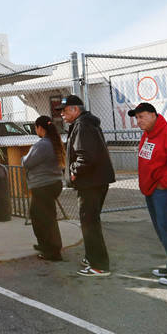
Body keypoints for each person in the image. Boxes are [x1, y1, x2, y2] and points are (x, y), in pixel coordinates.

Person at [129, 103, 167, 286]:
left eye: (142, 116)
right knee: (162, 230)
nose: (139, 121)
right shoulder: (147, 136)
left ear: (154, 115)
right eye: (137, 118)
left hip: (165, 191)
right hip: (153, 190)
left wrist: (164, 184)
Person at [61, 95, 116, 276]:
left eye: (65, 110)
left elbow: (86, 156)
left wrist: (74, 172)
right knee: (91, 221)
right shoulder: (85, 124)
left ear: (75, 110)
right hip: (95, 181)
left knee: (89, 222)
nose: (62, 114)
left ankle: (99, 265)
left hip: (91, 182)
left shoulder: (82, 126)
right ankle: (92, 256)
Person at [22, 116, 65, 262]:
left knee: (41, 218)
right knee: (47, 217)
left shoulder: (42, 144)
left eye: (36, 128)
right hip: (54, 183)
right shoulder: (55, 142)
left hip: (43, 185)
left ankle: (51, 250)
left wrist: (23, 158)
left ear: (40, 128)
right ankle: (50, 247)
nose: (36, 130)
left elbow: (27, 162)